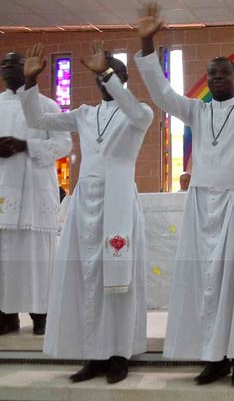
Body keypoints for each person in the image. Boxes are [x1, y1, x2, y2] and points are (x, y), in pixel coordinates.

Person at [134, 0, 234, 387]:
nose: (217, 77)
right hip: (201, 209)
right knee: (205, 284)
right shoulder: (197, 112)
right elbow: (162, 94)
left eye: (224, 73)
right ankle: (213, 356)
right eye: (212, 73)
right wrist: (147, 44)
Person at [20, 41, 153, 384]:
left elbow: (136, 113)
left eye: (113, 72)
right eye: (102, 73)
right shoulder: (84, 114)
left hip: (118, 202)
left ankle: (120, 354)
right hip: (85, 203)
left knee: (119, 281)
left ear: (123, 78)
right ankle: (94, 354)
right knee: (87, 277)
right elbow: (37, 119)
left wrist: (105, 71)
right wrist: (31, 83)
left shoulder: (138, 112)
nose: (105, 77)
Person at [0, 52, 71, 336]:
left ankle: (42, 314)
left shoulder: (47, 105)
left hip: (35, 193)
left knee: (37, 258)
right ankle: (7, 316)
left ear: (28, 68)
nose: (7, 68)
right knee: (5, 257)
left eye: (13, 63)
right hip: (4, 190)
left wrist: (26, 146)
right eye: (4, 64)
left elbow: (63, 144)